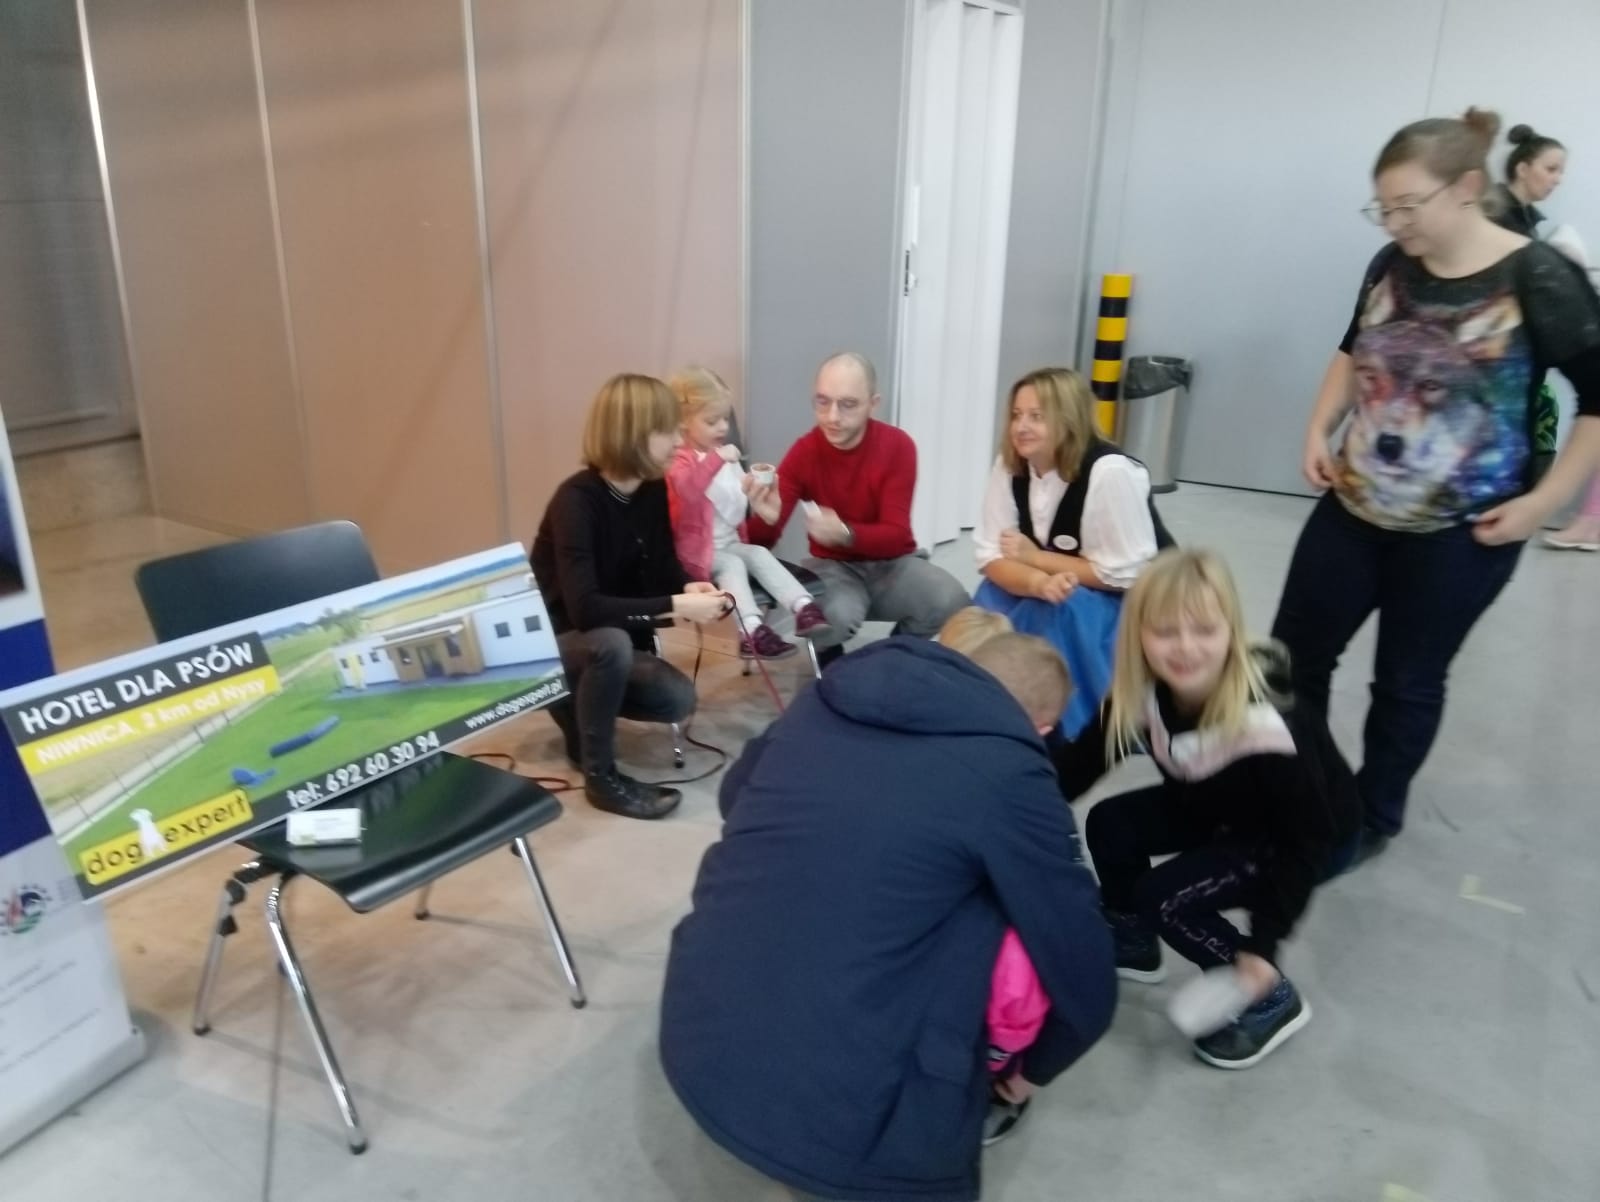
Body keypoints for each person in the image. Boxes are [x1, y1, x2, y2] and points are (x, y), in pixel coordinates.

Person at [660, 631, 1116, 1202]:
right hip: (848, 1136)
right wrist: (1031, 1074)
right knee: (998, 916)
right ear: (1043, 730)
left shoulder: (823, 699)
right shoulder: (1012, 774)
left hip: (695, 1038)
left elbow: (736, 796)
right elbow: (1082, 965)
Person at [1272, 107, 1600, 862]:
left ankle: (1370, 818)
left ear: (1465, 188)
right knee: (1290, 661)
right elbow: (1354, 349)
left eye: (1408, 205)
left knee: (1406, 681)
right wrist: (1319, 427)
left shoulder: (1537, 276)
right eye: (1382, 208)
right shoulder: (1391, 263)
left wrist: (1545, 504)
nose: (1394, 222)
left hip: (1464, 530)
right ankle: (1300, 788)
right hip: (1355, 504)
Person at [1056, 549, 1359, 1070]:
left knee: (1167, 899)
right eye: (1164, 631)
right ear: (1139, 635)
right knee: (1110, 823)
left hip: (1299, 832)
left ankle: (1269, 996)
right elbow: (1076, 768)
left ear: (1231, 631)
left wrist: (1264, 943)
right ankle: (1134, 939)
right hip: (1218, 801)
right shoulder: (1141, 693)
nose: (1186, 648)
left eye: (1204, 630)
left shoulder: (1267, 724)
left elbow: (1306, 837)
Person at [529, 373, 729, 820]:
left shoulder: (652, 489)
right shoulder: (575, 501)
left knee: (676, 699)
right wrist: (676, 606)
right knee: (611, 643)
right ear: (634, 433)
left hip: (602, 642)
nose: (680, 438)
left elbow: (663, 565)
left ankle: (579, 711)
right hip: (550, 648)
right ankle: (602, 780)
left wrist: (687, 586)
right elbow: (586, 609)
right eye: (668, 429)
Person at [973, 367, 1167, 737]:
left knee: (1063, 611)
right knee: (989, 601)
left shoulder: (1108, 473)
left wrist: (1037, 560)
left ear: (1069, 419)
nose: (1021, 427)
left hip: (1123, 596)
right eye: (1016, 415)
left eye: (1036, 416)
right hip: (1051, 580)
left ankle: (1066, 727)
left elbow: (1125, 575)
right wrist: (1036, 581)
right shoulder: (1010, 465)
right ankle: (982, 706)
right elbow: (992, 555)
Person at [744, 351, 970, 659]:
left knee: (951, 600)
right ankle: (830, 660)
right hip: (833, 566)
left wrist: (846, 533)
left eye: (848, 404)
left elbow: (896, 534)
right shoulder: (805, 452)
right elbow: (759, 545)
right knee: (829, 618)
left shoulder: (897, 446)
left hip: (893, 563)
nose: (832, 417)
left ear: (873, 404)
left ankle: (893, 656)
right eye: (822, 402)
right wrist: (766, 520)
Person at [664, 366, 832, 659]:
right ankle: (750, 631)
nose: (722, 428)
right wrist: (717, 459)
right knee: (732, 565)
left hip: (729, 543)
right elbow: (688, 490)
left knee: (758, 553)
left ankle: (803, 607)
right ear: (683, 422)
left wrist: (756, 490)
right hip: (698, 555)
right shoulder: (680, 460)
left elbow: (735, 501)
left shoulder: (721, 452)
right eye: (712, 421)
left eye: (725, 419)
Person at [1491, 123, 1565, 238]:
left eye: (1561, 172)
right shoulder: (1493, 212)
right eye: (1551, 169)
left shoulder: (1526, 220)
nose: (1558, 180)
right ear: (1523, 170)